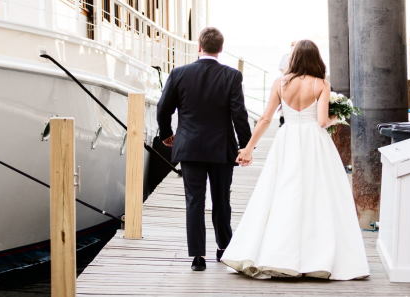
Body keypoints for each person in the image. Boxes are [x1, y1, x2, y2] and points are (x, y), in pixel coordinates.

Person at [221, 39, 369, 280]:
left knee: (281, 193)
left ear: (294, 59)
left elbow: (266, 119)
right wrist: (337, 118)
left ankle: (276, 254)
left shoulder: (280, 83)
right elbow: (321, 121)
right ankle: (316, 257)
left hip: (287, 140)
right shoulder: (321, 84)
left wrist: (248, 148)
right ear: (316, 59)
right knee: (318, 195)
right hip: (315, 142)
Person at [157, 27, 252, 272]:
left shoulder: (179, 73)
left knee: (194, 201)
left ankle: (198, 257)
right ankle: (223, 248)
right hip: (221, 149)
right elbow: (239, 114)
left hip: (189, 147)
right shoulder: (232, 76)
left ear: (199, 47)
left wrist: (167, 134)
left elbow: (162, 108)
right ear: (220, 49)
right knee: (222, 199)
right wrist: (246, 145)